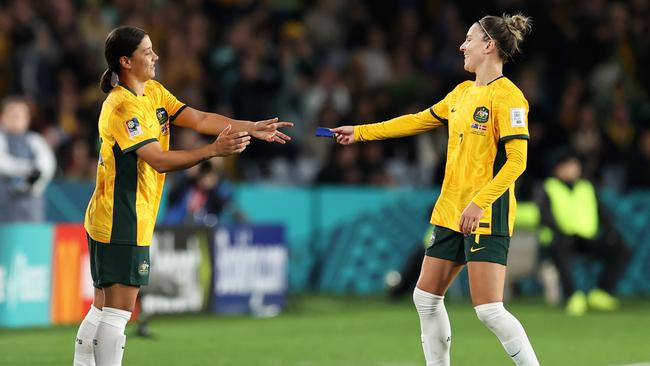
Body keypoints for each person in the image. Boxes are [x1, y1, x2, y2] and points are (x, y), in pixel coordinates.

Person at [73, 26, 292, 366]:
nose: (155, 56)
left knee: (102, 308)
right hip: (122, 218)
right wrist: (213, 151)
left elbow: (200, 117)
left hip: (116, 217)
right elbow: (158, 160)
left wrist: (250, 126)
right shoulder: (122, 108)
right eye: (147, 52)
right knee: (117, 313)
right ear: (126, 61)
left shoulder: (154, 93)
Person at [333, 14, 539, 366]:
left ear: (488, 46)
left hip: (486, 212)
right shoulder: (461, 93)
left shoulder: (510, 98)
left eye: (469, 39)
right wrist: (361, 131)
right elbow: (416, 120)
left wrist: (480, 202)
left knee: (489, 310)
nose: (462, 46)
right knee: (425, 298)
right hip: (451, 211)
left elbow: (517, 162)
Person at [536, 148, 631, 316]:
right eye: (568, 165)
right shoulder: (548, 188)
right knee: (561, 250)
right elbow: (545, 217)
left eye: (575, 164)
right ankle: (572, 295)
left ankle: (601, 292)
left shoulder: (586, 186)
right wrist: (561, 233)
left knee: (621, 249)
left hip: (588, 238)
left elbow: (602, 212)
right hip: (561, 238)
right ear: (557, 168)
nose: (573, 168)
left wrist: (610, 232)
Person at [0, 96, 56, 222]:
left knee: (30, 238)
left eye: (20, 115)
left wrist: (29, 183)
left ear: (27, 119)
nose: (16, 119)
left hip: (30, 207)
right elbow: (3, 163)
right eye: (12, 114)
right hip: (3, 206)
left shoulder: (35, 140)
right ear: (2, 118)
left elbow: (46, 165)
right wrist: (27, 169)